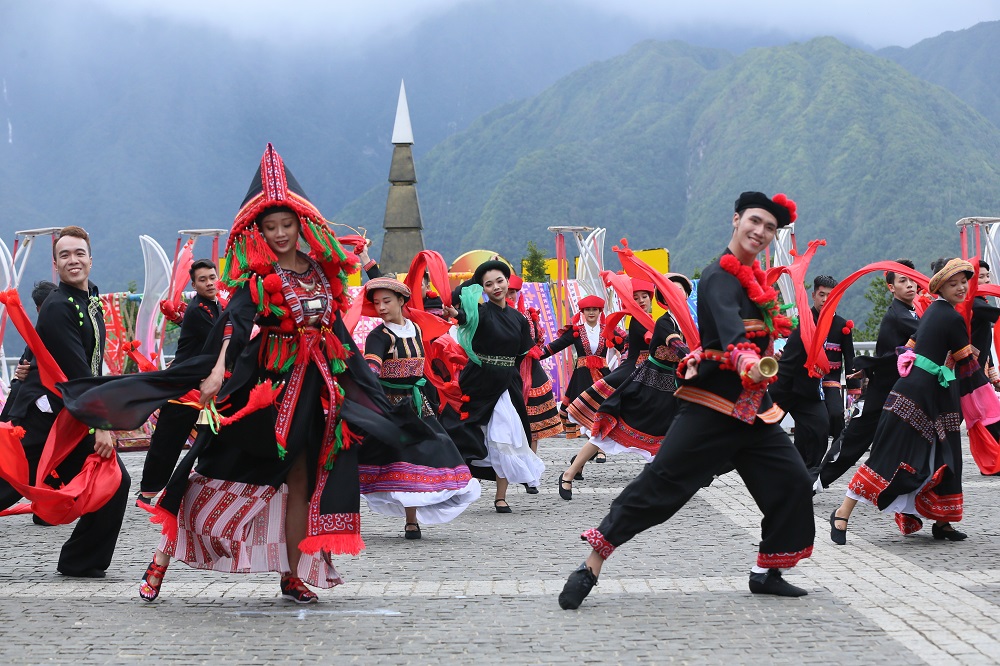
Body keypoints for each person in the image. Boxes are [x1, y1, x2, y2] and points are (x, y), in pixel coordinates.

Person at [61, 144, 401, 604]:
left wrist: (367, 388)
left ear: (302, 226)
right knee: (215, 471)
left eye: (286, 225)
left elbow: (336, 332)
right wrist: (220, 369)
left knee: (302, 478)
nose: (280, 234)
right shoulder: (258, 278)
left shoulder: (322, 273)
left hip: (315, 390)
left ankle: (293, 573)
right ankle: (161, 558)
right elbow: (236, 325)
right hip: (265, 390)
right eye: (270, 227)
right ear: (259, 231)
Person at [558, 192, 815, 609]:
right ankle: (591, 565)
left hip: (752, 411)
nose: (761, 232)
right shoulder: (719, 277)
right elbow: (730, 331)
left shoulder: (756, 282)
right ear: (736, 220)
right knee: (661, 486)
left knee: (794, 483)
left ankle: (767, 572)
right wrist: (744, 356)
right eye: (755, 221)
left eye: (770, 228)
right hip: (711, 407)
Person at [829, 258, 992, 543]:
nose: (961, 288)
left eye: (964, 282)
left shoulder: (933, 312)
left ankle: (942, 522)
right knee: (892, 454)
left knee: (941, 455)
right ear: (940, 288)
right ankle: (842, 514)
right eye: (953, 284)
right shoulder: (949, 316)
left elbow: (909, 347)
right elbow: (966, 363)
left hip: (928, 394)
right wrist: (988, 405)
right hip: (920, 395)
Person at [0, 227, 131, 577]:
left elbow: (93, 367)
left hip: (69, 416)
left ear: (90, 258)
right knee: (9, 484)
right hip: (44, 418)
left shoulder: (90, 300)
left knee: (114, 480)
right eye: (64, 255)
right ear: (55, 264)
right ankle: (81, 561)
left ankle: (81, 562)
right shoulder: (58, 307)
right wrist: (101, 425)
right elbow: (77, 374)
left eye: (78, 253)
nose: (73, 260)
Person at [360, 276, 480, 538]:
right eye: (377, 303)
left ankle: (412, 519)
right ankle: (344, 511)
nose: (381, 307)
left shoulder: (415, 328)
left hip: (417, 401)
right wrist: (369, 377)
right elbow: (371, 365)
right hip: (390, 404)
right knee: (384, 458)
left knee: (428, 452)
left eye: (387, 301)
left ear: (402, 301)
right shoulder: (378, 336)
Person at [558, 277, 687, 499]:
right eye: (636, 298)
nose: (641, 301)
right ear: (664, 296)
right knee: (611, 429)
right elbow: (672, 343)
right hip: (641, 382)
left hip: (666, 386)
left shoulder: (680, 321)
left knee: (672, 432)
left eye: (644, 296)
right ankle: (569, 472)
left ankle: (675, 480)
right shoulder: (654, 321)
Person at [439, 260, 545, 513]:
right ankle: (454, 485)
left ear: (508, 282)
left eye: (499, 281)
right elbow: (464, 316)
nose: (496, 287)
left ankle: (501, 496)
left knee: (505, 436)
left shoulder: (519, 319)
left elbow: (522, 352)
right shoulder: (481, 312)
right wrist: (454, 314)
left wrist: (509, 373)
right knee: (462, 431)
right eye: (488, 284)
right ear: (482, 289)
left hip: (506, 383)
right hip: (478, 379)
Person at [817, 260, 919, 490]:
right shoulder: (899, 314)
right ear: (891, 287)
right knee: (853, 439)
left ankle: (899, 488)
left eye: (913, 280)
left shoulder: (911, 313)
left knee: (903, 440)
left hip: (902, 390)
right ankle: (814, 481)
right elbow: (926, 332)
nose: (910, 285)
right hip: (884, 391)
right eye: (903, 281)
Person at [135, 259, 222, 505]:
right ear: (194, 284)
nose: (209, 283)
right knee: (168, 440)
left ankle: (209, 484)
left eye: (212, 277)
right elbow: (220, 340)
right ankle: (148, 491)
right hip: (185, 384)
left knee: (213, 436)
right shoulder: (198, 310)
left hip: (202, 382)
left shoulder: (214, 306)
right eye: (202, 279)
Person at [540, 295, 626, 439]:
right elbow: (555, 346)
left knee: (602, 409)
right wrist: (534, 354)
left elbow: (625, 347)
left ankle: (599, 450)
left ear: (600, 312)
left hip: (603, 376)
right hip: (581, 377)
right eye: (587, 310)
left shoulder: (608, 330)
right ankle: (592, 447)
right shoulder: (576, 331)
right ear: (582, 312)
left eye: (594, 309)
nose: (591, 313)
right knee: (584, 410)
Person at [507, 274, 563, 453]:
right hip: (508, 369)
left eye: (513, 292)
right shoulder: (494, 315)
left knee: (533, 423)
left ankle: (531, 458)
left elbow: (538, 342)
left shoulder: (528, 316)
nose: (509, 296)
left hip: (530, 369)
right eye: (507, 292)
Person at [811, 276, 861, 445]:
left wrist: (854, 388)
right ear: (813, 295)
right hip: (807, 381)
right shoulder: (804, 320)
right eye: (821, 294)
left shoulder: (841, 325)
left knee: (835, 414)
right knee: (813, 422)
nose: (825, 300)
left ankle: (837, 450)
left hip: (830, 381)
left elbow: (849, 357)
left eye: (830, 296)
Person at [0, 281, 57, 425]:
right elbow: (23, 366)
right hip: (32, 403)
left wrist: (30, 372)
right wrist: (22, 372)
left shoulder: (68, 332)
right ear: (38, 309)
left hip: (56, 401)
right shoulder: (37, 335)